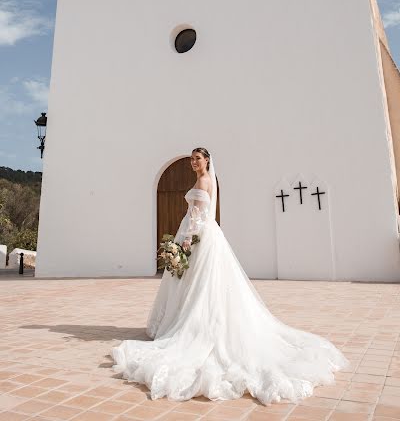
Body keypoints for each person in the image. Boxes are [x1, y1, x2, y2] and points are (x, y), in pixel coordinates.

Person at [111, 147, 350, 405]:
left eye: (198, 159)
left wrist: (185, 245)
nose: (193, 162)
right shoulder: (203, 179)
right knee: (200, 288)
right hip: (204, 235)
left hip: (198, 237)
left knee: (200, 287)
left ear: (207, 161)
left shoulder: (204, 181)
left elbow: (197, 218)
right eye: (192, 159)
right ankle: (195, 322)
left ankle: (198, 328)